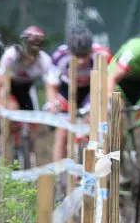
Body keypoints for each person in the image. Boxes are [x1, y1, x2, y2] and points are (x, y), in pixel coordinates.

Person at [44, 25, 112, 162]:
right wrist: (52, 104)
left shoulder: (103, 54)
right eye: (77, 56)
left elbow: (106, 84)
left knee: (95, 127)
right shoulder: (59, 57)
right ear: (70, 51)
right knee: (62, 133)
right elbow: (51, 86)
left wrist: (96, 108)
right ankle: (59, 175)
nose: (81, 61)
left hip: (90, 90)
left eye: (85, 55)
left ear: (91, 49)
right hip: (67, 91)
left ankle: (103, 165)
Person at [0, 26, 52, 155]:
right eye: (30, 46)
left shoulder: (44, 60)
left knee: (34, 124)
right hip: (9, 88)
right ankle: (2, 149)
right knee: (12, 110)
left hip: (27, 90)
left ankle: (29, 155)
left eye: (37, 46)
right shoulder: (11, 54)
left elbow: (50, 87)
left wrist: (51, 105)